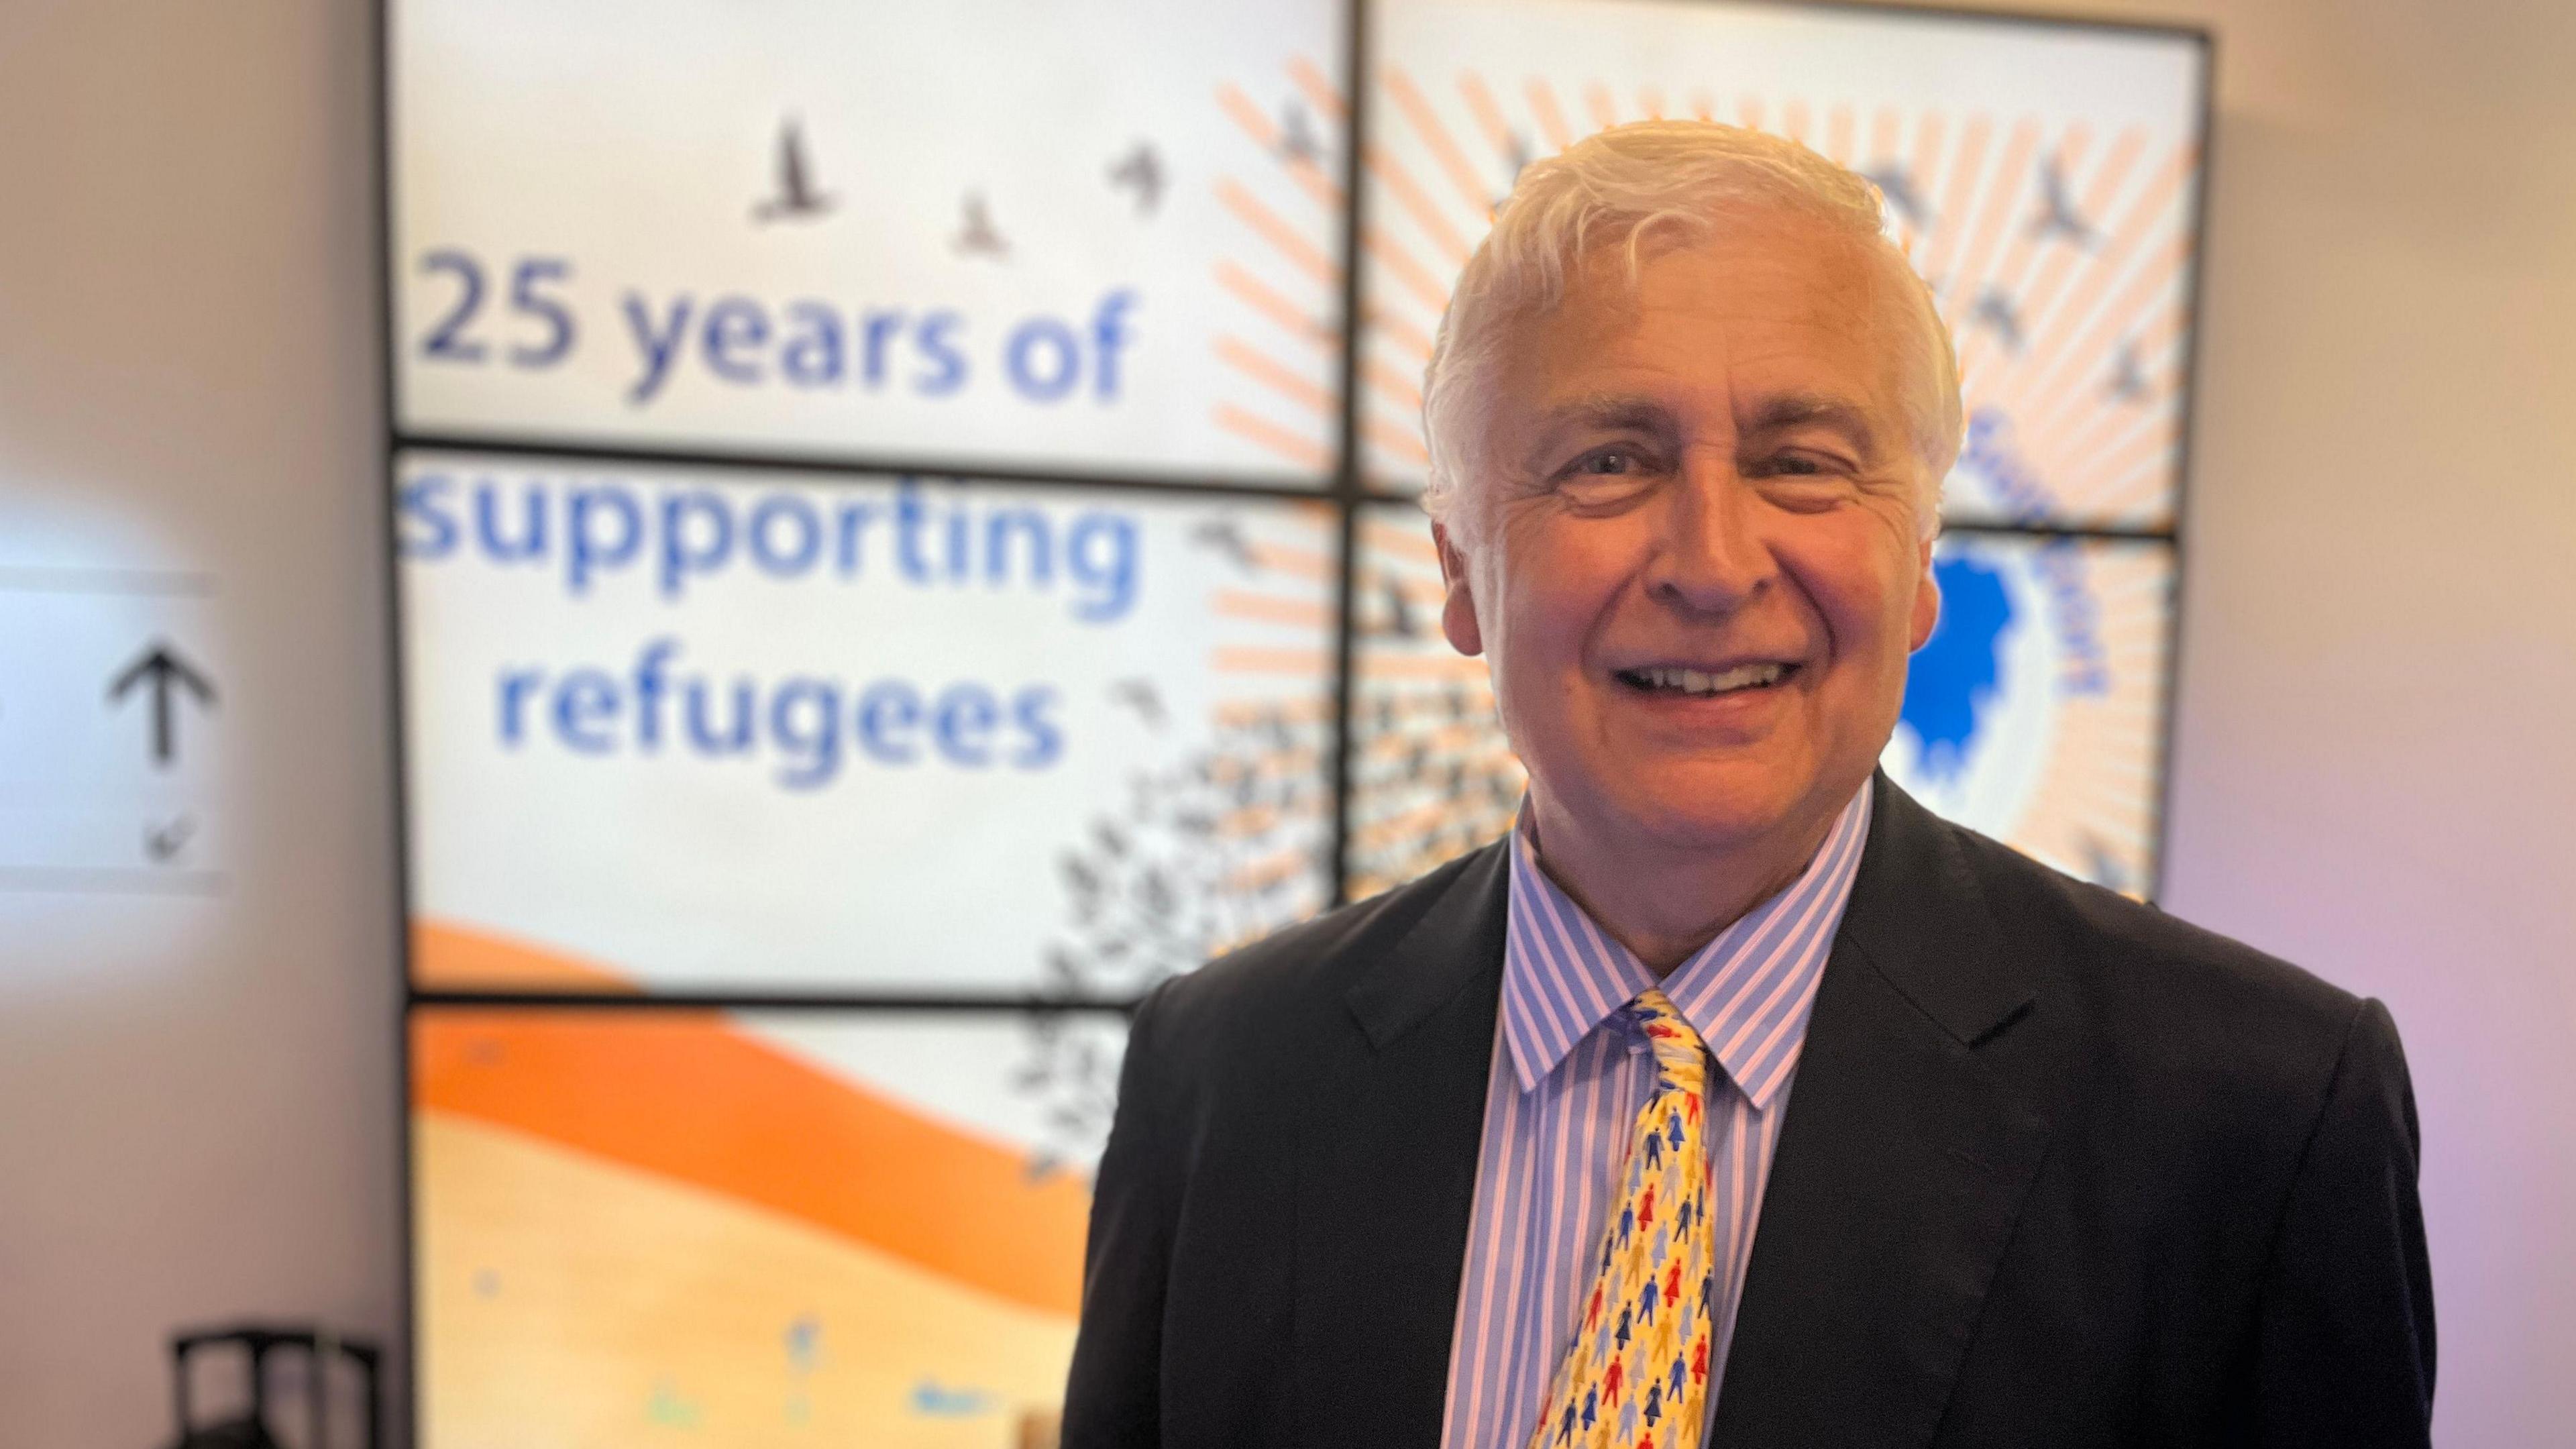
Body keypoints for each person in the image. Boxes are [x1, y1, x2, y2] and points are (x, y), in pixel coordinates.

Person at [1062, 121, 2432, 1448]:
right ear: (1462, 571)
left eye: (1802, 463)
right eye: (1609, 462)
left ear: (1917, 569)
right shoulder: (1223, 1079)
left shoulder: (2257, 1120)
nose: (1713, 564)